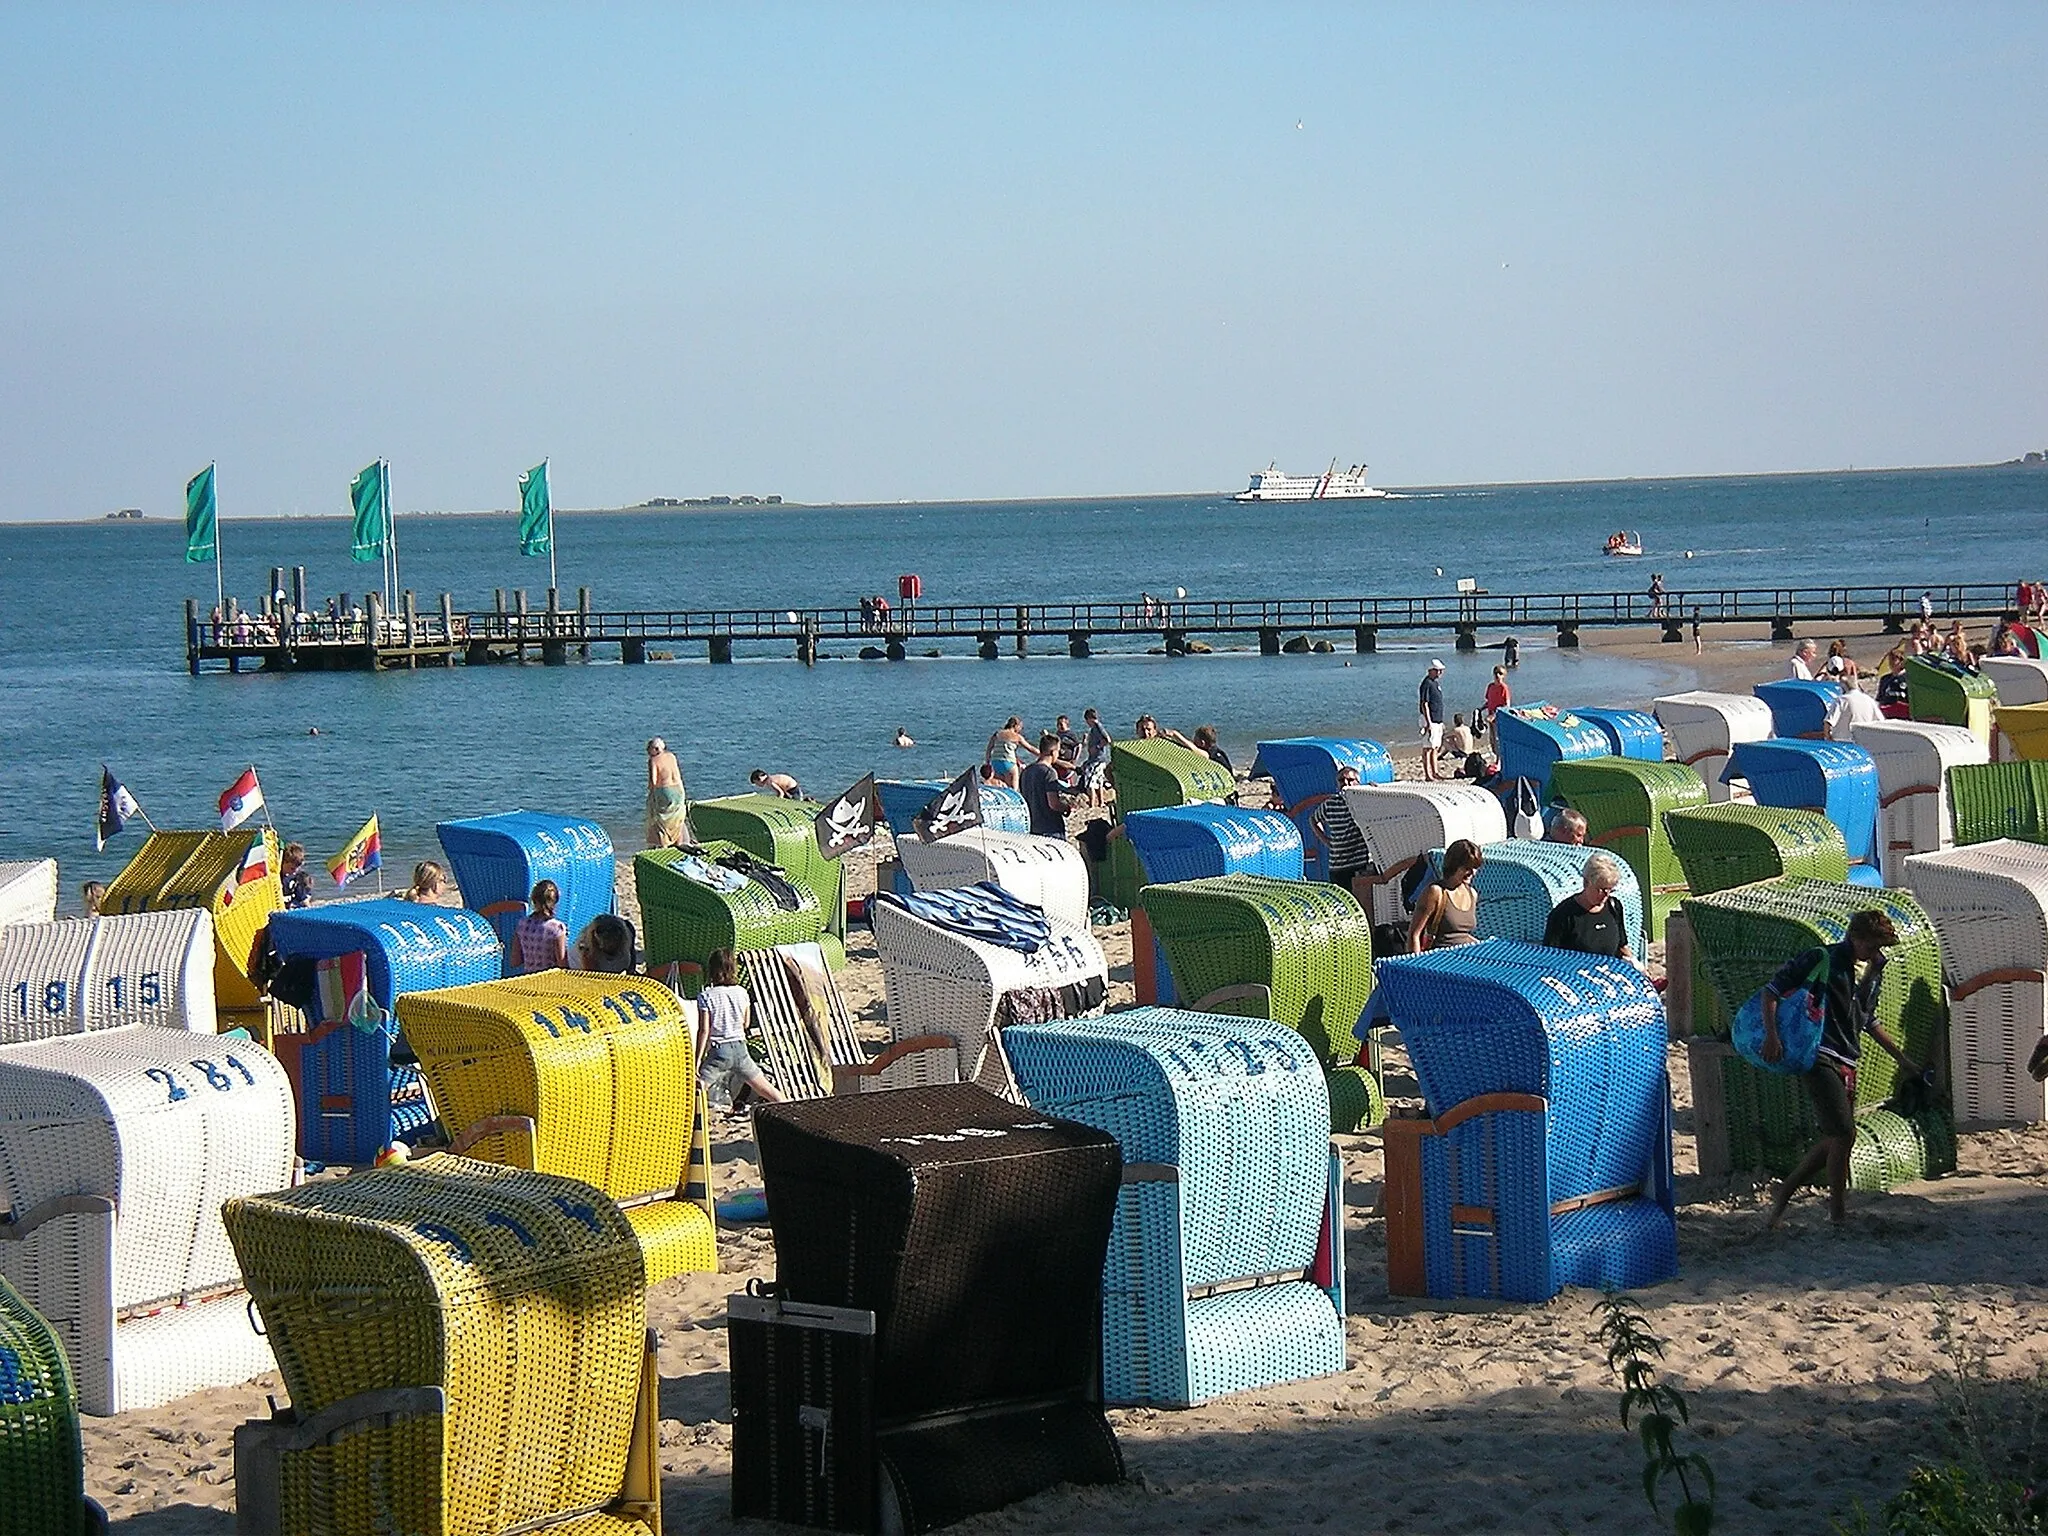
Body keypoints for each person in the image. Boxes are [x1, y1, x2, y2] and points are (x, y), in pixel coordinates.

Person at [1761, 910, 1917, 1226]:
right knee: (1845, 1133)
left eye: (1880, 948)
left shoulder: (1873, 970)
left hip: (1847, 1058)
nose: (1877, 954)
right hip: (1817, 1053)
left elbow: (1867, 1020)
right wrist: (1772, 1035)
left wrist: (1904, 1061)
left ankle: (1787, 1191)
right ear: (1855, 939)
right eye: (1872, 947)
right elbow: (1771, 991)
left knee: (1837, 1136)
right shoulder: (1823, 959)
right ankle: (1837, 1213)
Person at [696, 949, 785, 1108]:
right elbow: (746, 1023)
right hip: (740, 1048)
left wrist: (696, 1061)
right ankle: (791, 1108)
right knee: (767, 1089)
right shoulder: (742, 992)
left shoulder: (706, 996)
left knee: (697, 1090)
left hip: (719, 1051)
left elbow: (704, 1030)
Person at [1541, 852, 1634, 962]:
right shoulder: (1563, 915)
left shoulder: (1614, 906)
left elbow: (1622, 946)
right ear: (1586, 883)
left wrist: (1637, 966)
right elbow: (1550, 957)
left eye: (1610, 890)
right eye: (1601, 889)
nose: (1606, 895)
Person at [1409, 839, 1482, 951]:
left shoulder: (1472, 894)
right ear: (1454, 865)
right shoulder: (1436, 892)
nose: (1472, 873)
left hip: (1468, 957)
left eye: (1475, 868)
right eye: (1467, 868)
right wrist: (1413, 965)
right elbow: (1414, 935)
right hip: (1442, 960)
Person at [1315, 766, 1371, 897]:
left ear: (1358, 782)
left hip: (1360, 862)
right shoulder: (1330, 804)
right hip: (1338, 864)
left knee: (1361, 901)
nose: (1346, 783)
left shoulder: (1363, 802)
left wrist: (1372, 788)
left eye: (1350, 780)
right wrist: (1326, 841)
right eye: (1341, 780)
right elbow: (1313, 820)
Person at [1018, 733, 1073, 838]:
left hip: (1032, 826)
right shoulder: (1049, 772)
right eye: (1058, 751)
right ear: (1053, 752)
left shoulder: (1026, 771)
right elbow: (1054, 804)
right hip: (1050, 827)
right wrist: (1066, 808)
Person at [513, 879, 569, 973]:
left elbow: (515, 961)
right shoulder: (557, 928)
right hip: (549, 980)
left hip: (528, 979)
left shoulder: (522, 924)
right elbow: (562, 964)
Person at [647, 738, 690, 847]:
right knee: (677, 818)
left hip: (665, 790)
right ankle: (679, 844)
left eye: (649, 750)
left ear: (655, 749)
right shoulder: (671, 756)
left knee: (661, 820)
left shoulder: (654, 760)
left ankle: (664, 846)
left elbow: (654, 780)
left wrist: (651, 794)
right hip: (679, 789)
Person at [1419, 659, 1448, 781]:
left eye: (1441, 670)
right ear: (1431, 670)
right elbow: (1424, 703)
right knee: (1428, 748)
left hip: (1437, 719)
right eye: (1437, 670)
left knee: (1435, 746)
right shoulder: (1426, 683)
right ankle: (1428, 774)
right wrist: (1428, 722)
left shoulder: (1435, 683)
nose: (1440, 673)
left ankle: (1435, 772)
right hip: (1430, 719)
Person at [984, 716, 1032, 789]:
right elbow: (1030, 748)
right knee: (1013, 789)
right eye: (1020, 727)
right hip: (1009, 764)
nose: (1020, 729)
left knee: (999, 789)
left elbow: (989, 749)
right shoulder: (1017, 737)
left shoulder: (997, 734)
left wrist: (987, 762)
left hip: (995, 763)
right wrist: (1042, 754)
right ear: (1015, 726)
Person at [1080, 707, 1113, 806]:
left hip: (1097, 759)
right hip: (1098, 759)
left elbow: (1107, 739)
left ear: (1089, 718)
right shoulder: (1095, 728)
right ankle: (1101, 802)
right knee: (1099, 782)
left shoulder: (1098, 727)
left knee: (1090, 782)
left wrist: (1097, 747)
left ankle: (1092, 803)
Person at [1482, 665, 1511, 750]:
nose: (1497, 675)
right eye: (1496, 673)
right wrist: (1480, 709)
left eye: (1500, 673)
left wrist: (1495, 715)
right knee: (1492, 739)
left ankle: (1499, 760)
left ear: (1504, 676)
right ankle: (1496, 758)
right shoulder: (1490, 686)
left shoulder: (1504, 688)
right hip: (1490, 717)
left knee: (1498, 739)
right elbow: (1489, 701)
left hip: (1500, 718)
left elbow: (1507, 705)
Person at [1134, 713, 1199, 750]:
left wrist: (1174, 734)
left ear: (1154, 730)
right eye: (1142, 730)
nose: (1145, 733)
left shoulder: (1165, 745)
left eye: (1149, 729)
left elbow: (1201, 753)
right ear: (1137, 731)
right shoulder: (1134, 749)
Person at [280, 842, 314, 909]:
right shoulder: (276, 878)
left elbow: (304, 900)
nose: (294, 871)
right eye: (292, 868)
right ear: (283, 863)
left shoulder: (296, 878)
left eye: (297, 868)